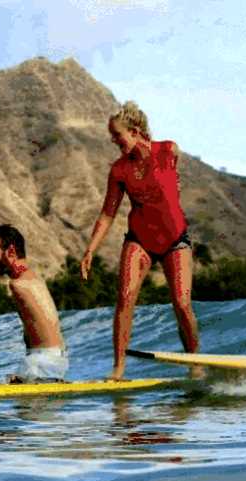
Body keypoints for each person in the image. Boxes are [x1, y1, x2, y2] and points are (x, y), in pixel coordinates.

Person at [80, 100, 200, 380]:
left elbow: (174, 174)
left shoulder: (168, 150)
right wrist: (90, 250)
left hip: (175, 240)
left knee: (182, 304)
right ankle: (118, 369)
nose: (113, 140)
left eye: (116, 135)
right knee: (124, 298)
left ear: (135, 132)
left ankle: (195, 362)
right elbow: (107, 214)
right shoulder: (119, 170)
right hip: (140, 239)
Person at [0, 224, 68, 383]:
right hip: (57, 359)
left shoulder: (17, 285)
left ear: (10, 252)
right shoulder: (34, 278)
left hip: (40, 362)